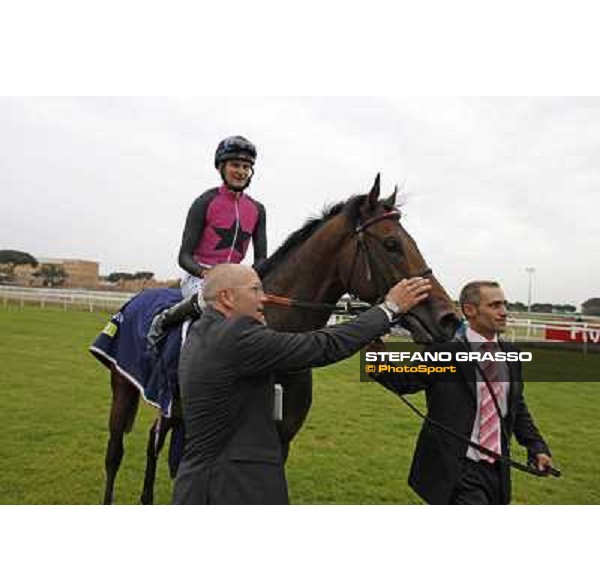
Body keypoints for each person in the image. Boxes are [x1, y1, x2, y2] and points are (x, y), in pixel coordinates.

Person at [172, 264, 432, 504]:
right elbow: (322, 345)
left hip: (205, 482)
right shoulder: (236, 337)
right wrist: (389, 309)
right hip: (232, 487)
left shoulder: (203, 331)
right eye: (255, 290)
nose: (264, 298)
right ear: (227, 297)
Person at [371, 280, 554, 505]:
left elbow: (517, 407)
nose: (504, 312)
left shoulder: (511, 354)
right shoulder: (444, 353)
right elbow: (403, 382)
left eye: (504, 305)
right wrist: (375, 354)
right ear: (469, 310)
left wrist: (536, 447)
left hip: (498, 471)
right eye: (494, 305)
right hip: (457, 471)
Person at [147, 135, 267, 345]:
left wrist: (251, 279)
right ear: (221, 167)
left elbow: (261, 258)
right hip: (199, 276)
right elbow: (184, 257)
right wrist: (208, 273)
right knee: (213, 307)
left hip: (236, 279)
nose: (241, 171)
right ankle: (164, 320)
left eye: (246, 167)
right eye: (235, 165)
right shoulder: (205, 202)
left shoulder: (258, 210)